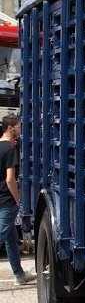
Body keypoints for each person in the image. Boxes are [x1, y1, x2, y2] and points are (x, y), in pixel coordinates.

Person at [0, 115, 34, 285]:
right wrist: (18, 199)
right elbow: (9, 179)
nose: (20, 130)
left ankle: (19, 275)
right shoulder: (9, 150)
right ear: (11, 128)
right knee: (2, 235)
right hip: (7, 200)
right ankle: (19, 274)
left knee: (11, 239)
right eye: (19, 127)